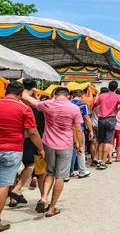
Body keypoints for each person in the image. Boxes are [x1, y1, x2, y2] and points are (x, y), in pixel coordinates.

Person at [21, 86, 83, 218]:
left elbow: (29, 100)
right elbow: (77, 129)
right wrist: (80, 145)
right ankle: (52, 208)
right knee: (60, 176)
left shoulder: (48, 104)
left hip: (49, 144)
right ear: (69, 97)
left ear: (55, 95)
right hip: (65, 145)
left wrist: (27, 90)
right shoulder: (74, 108)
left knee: (49, 172)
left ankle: (43, 198)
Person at [0, 81, 45, 231]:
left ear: (6, 90)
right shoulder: (24, 108)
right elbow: (32, 132)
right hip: (12, 150)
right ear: (20, 95)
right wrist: (40, 148)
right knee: (4, 185)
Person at [7, 79, 39, 208]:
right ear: (33, 89)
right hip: (24, 139)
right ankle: (17, 189)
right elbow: (33, 131)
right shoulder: (28, 105)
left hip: (7, 141)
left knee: (11, 171)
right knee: (30, 165)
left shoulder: (9, 101)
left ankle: (12, 199)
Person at [94, 81, 120, 170]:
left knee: (101, 141)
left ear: (108, 87)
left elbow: (96, 104)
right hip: (111, 119)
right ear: (116, 88)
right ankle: (104, 162)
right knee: (108, 141)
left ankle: (99, 160)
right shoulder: (117, 96)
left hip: (101, 119)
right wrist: (116, 111)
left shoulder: (102, 96)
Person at [69, 90, 92, 179]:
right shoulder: (83, 105)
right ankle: (82, 171)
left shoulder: (67, 104)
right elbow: (87, 118)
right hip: (79, 129)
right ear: (82, 96)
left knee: (71, 151)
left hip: (68, 130)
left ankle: (69, 172)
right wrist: (91, 130)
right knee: (80, 149)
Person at [90, 87, 108, 167]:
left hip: (93, 123)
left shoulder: (95, 100)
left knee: (93, 142)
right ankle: (97, 158)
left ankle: (93, 158)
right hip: (101, 123)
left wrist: (97, 94)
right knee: (100, 143)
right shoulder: (106, 101)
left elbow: (93, 103)